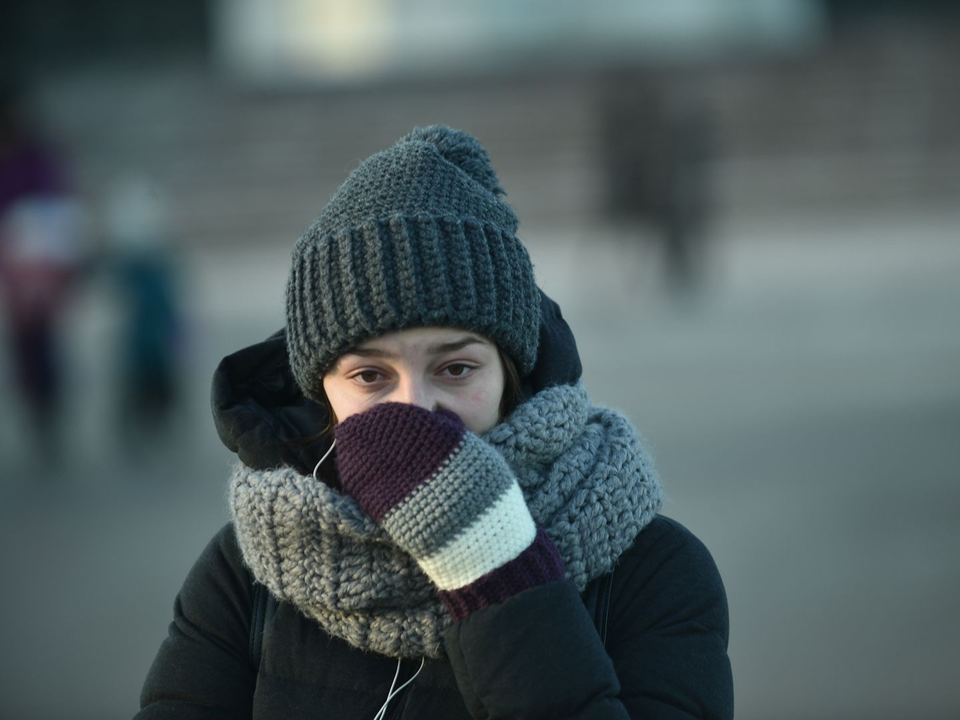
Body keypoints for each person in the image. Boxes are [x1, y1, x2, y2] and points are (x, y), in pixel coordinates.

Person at [136, 126, 733, 719]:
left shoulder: (654, 572)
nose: (416, 408)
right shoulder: (251, 571)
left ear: (510, 371)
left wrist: (498, 569)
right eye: (370, 376)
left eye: (455, 368)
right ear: (322, 390)